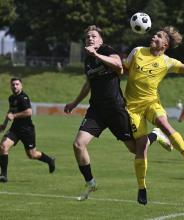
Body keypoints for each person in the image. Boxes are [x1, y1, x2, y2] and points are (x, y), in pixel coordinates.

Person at [64, 25, 170, 201]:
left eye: (93, 36)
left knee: (136, 150)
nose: (90, 39)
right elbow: (89, 83)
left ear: (100, 40)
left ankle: (155, 135)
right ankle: (91, 183)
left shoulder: (106, 50)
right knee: (78, 145)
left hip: (116, 109)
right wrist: (74, 103)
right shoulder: (88, 61)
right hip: (96, 110)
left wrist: (97, 54)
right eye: (87, 37)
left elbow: (119, 65)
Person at [123, 26, 184, 205]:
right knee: (140, 147)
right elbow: (124, 69)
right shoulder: (137, 51)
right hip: (132, 108)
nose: (154, 37)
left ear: (165, 44)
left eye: (158, 36)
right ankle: (142, 187)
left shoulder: (167, 61)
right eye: (155, 34)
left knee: (165, 124)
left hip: (151, 103)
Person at [0, 78, 55, 183]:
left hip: (27, 130)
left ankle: (50, 160)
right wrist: (4, 124)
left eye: (17, 84)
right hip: (15, 129)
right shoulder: (11, 98)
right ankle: (3, 175)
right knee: (3, 146)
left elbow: (29, 112)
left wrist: (14, 115)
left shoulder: (23, 98)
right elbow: (10, 112)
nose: (15, 86)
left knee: (32, 155)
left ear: (21, 86)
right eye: (13, 84)